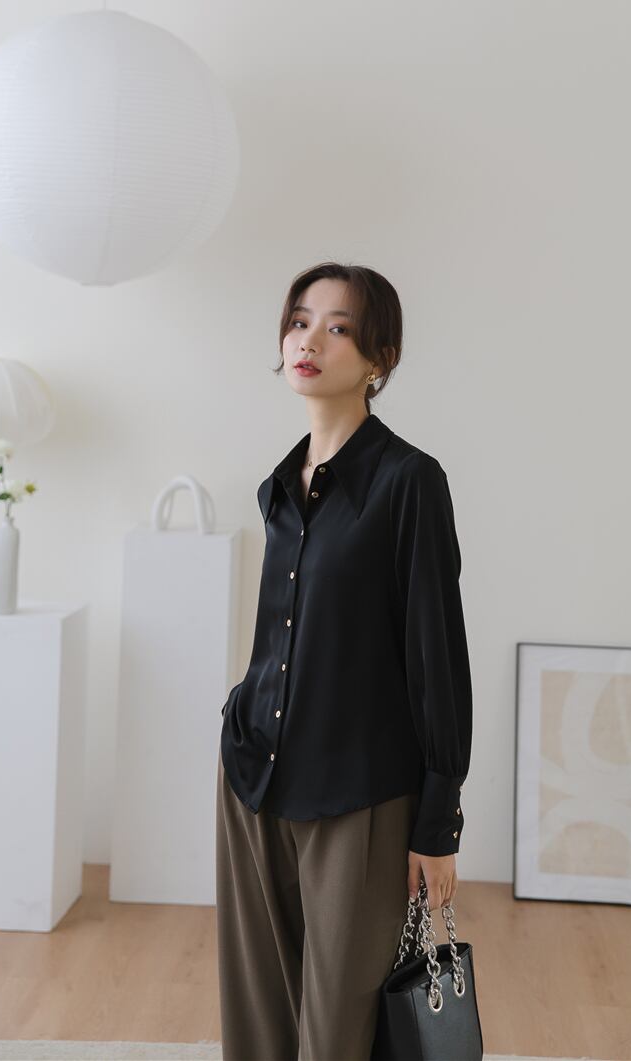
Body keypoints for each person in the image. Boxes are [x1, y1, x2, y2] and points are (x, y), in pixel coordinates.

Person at [216, 261, 473, 1061]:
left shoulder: (409, 482)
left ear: (378, 358)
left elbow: (437, 655)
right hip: (255, 775)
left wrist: (438, 821)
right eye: (300, 321)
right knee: (259, 1023)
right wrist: (239, 714)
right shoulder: (278, 487)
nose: (310, 340)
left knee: (338, 1032)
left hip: (361, 793)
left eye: (338, 328)